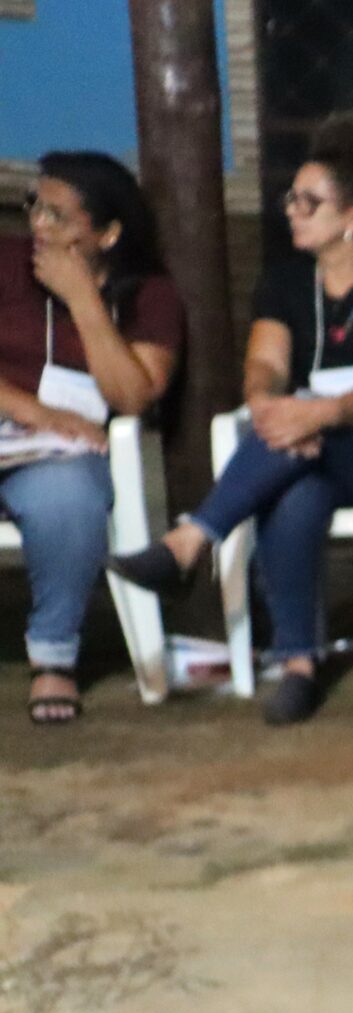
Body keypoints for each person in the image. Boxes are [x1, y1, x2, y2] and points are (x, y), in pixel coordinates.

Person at [110, 113, 353, 725]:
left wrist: (319, 416)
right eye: (291, 198)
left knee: (293, 454)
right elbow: (264, 364)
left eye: (310, 202)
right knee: (295, 496)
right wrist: (267, 407)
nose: (293, 211)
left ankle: (191, 541)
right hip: (308, 448)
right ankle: (299, 665)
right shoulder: (285, 282)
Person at [0, 151, 182, 726]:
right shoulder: (6, 264)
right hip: (18, 421)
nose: (39, 224)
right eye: (35, 206)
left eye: (58, 215)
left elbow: (132, 396)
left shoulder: (149, 296)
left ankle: (53, 657)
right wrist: (35, 410)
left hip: (54, 459)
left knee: (69, 500)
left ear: (108, 234)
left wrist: (83, 298)